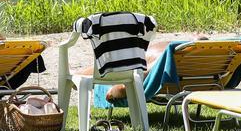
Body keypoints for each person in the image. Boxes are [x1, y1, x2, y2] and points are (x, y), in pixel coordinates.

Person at [75, 34, 209, 102]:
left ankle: (75, 77)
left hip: (147, 62)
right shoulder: (215, 60)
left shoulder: (170, 59)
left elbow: (128, 85)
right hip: (195, 82)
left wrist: (115, 90)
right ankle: (75, 77)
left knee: (112, 65)